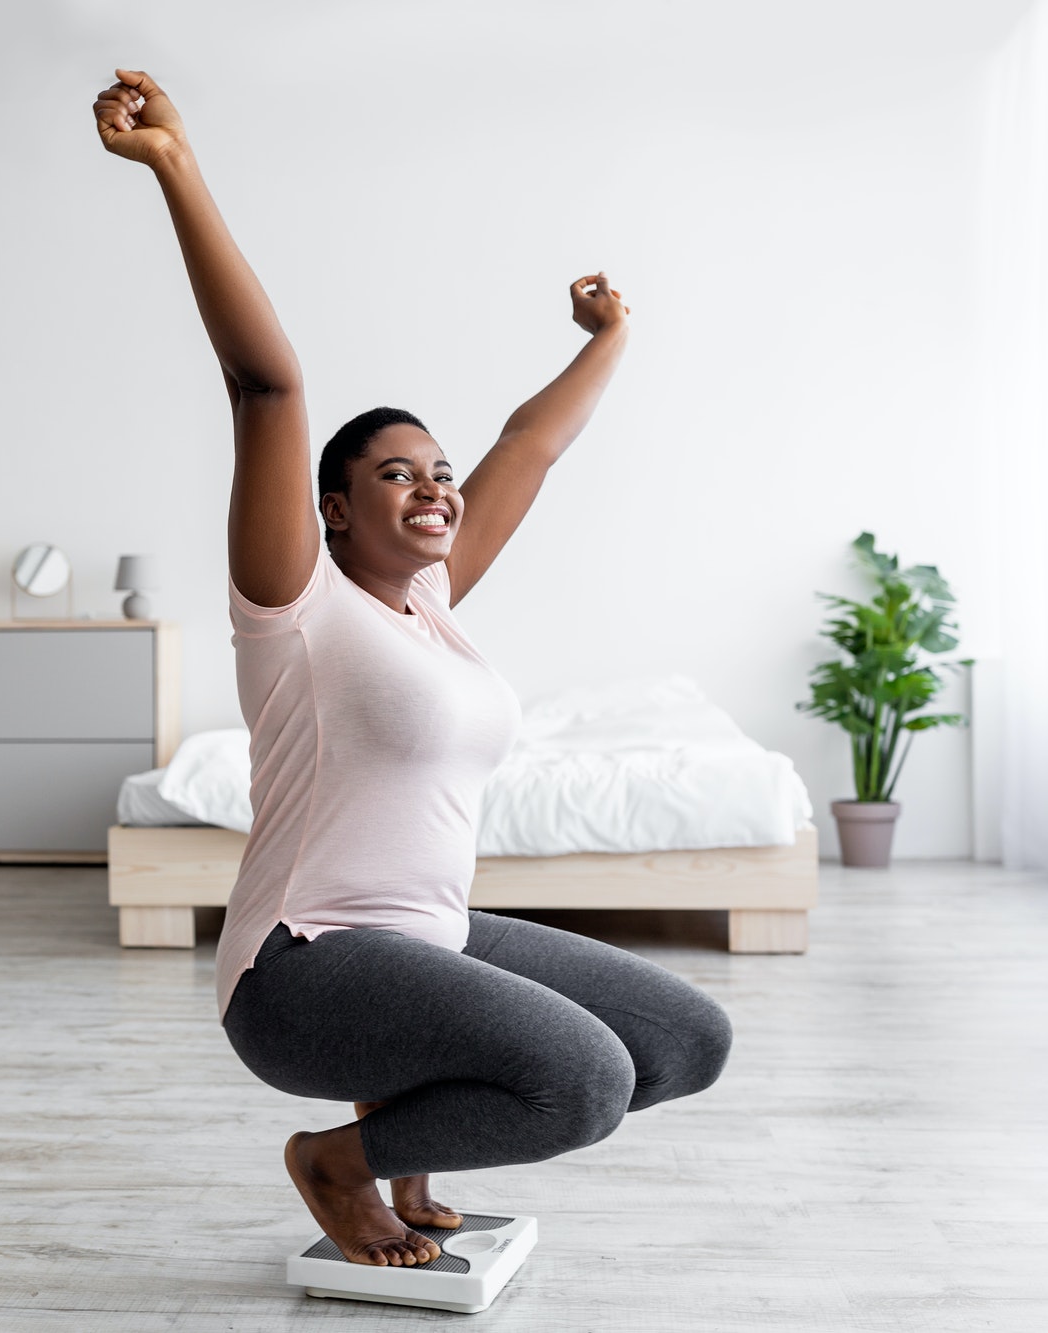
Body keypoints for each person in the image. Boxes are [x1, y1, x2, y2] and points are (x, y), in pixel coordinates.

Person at [92, 70, 733, 1268]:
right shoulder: (295, 607)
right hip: (303, 969)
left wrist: (613, 337)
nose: (433, 486)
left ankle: (397, 1121)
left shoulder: (429, 604)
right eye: (396, 474)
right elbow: (264, 383)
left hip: (423, 937)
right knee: (584, 1079)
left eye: (435, 470)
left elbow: (526, 449)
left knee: (685, 1036)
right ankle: (339, 1159)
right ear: (329, 511)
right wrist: (176, 165)